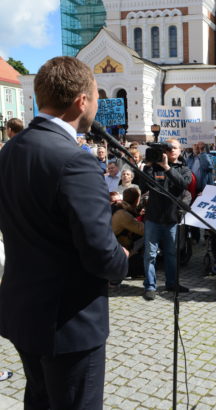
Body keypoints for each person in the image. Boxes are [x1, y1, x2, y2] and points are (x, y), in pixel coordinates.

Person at [0, 56, 128, 409]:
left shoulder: (10, 151)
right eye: (96, 96)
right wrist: (123, 261)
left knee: (39, 400)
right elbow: (100, 250)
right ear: (81, 101)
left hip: (23, 311)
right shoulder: (76, 160)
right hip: (68, 322)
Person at [140, 139, 192, 300]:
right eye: (168, 149)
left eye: (174, 148)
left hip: (171, 219)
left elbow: (183, 184)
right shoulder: (153, 167)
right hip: (153, 218)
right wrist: (148, 166)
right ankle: (150, 286)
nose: (172, 151)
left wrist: (167, 168)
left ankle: (172, 283)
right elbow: (143, 186)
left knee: (171, 254)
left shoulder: (184, 169)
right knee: (150, 254)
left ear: (180, 150)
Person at [112, 187, 145, 278]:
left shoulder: (118, 208)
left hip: (114, 246)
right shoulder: (123, 214)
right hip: (117, 251)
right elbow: (144, 231)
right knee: (148, 236)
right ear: (137, 200)